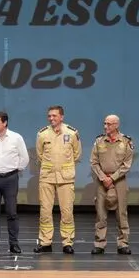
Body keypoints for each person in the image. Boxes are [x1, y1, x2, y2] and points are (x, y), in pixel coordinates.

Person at [35, 105, 82, 254]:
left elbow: (77, 154)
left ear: (62, 117)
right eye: (49, 116)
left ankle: (67, 242)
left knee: (67, 212)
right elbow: (39, 155)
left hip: (66, 178)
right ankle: (45, 242)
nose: (51, 118)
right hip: (47, 177)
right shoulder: (42, 134)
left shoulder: (72, 133)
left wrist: (64, 167)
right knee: (45, 211)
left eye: (54, 116)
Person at [0, 111, 29, 254]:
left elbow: (24, 158)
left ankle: (14, 244)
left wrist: (14, 170)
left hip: (10, 179)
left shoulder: (16, 138)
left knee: (11, 212)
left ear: (5, 123)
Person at [90, 114, 134, 255]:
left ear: (116, 125)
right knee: (100, 214)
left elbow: (127, 165)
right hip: (102, 181)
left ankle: (123, 244)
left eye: (109, 124)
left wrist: (113, 178)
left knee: (121, 213)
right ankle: (99, 244)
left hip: (119, 180)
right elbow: (94, 162)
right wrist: (104, 178)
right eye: (105, 123)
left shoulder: (126, 141)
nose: (105, 126)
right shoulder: (99, 141)